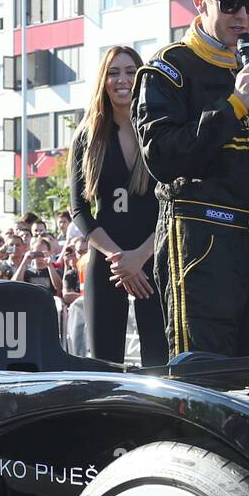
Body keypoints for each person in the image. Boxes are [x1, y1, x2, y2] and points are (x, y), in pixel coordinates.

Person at [132, 0, 249, 357]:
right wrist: (233, 106)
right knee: (207, 377)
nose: (243, 17)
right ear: (200, 2)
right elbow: (161, 157)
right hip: (199, 236)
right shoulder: (169, 67)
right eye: (230, 4)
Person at [69, 45, 169, 367]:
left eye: (129, 71)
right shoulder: (88, 136)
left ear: (141, 78)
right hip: (107, 264)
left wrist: (139, 258)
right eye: (113, 72)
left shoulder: (159, 129)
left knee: (159, 361)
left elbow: (174, 207)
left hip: (152, 259)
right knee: (104, 364)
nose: (122, 80)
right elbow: (79, 211)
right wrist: (120, 261)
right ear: (103, 81)